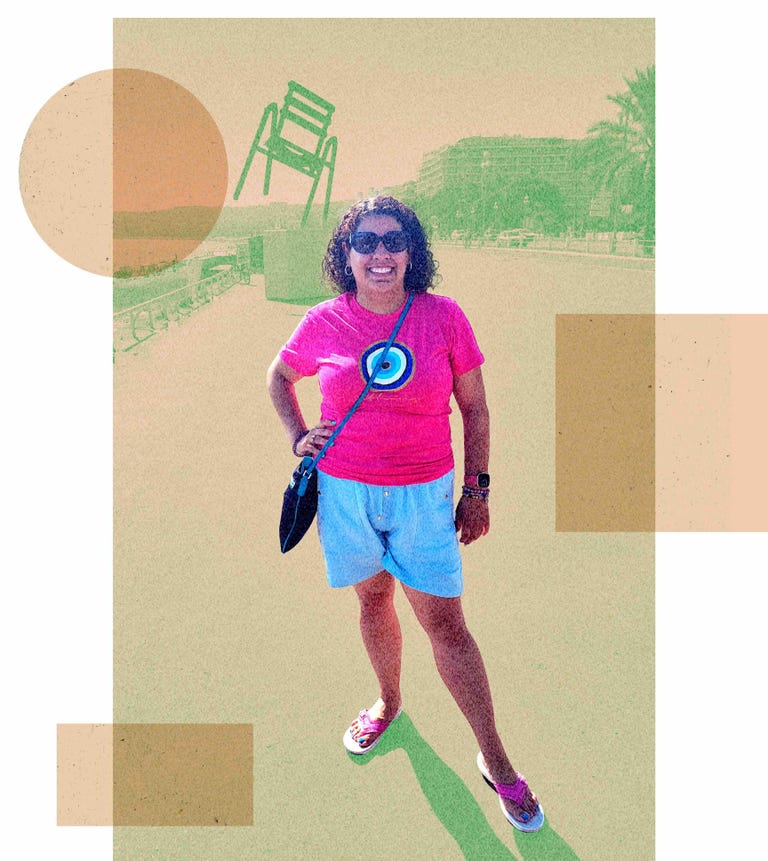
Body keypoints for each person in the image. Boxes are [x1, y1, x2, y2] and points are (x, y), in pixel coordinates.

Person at [266, 196, 544, 832]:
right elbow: (279, 378)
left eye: (394, 240)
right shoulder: (322, 321)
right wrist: (297, 434)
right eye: (365, 242)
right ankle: (389, 703)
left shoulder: (443, 317)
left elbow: (474, 408)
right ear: (346, 255)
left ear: (412, 252)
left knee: (447, 627)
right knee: (372, 604)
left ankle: (497, 761)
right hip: (345, 496)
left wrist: (476, 490)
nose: (380, 253)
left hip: (423, 496)